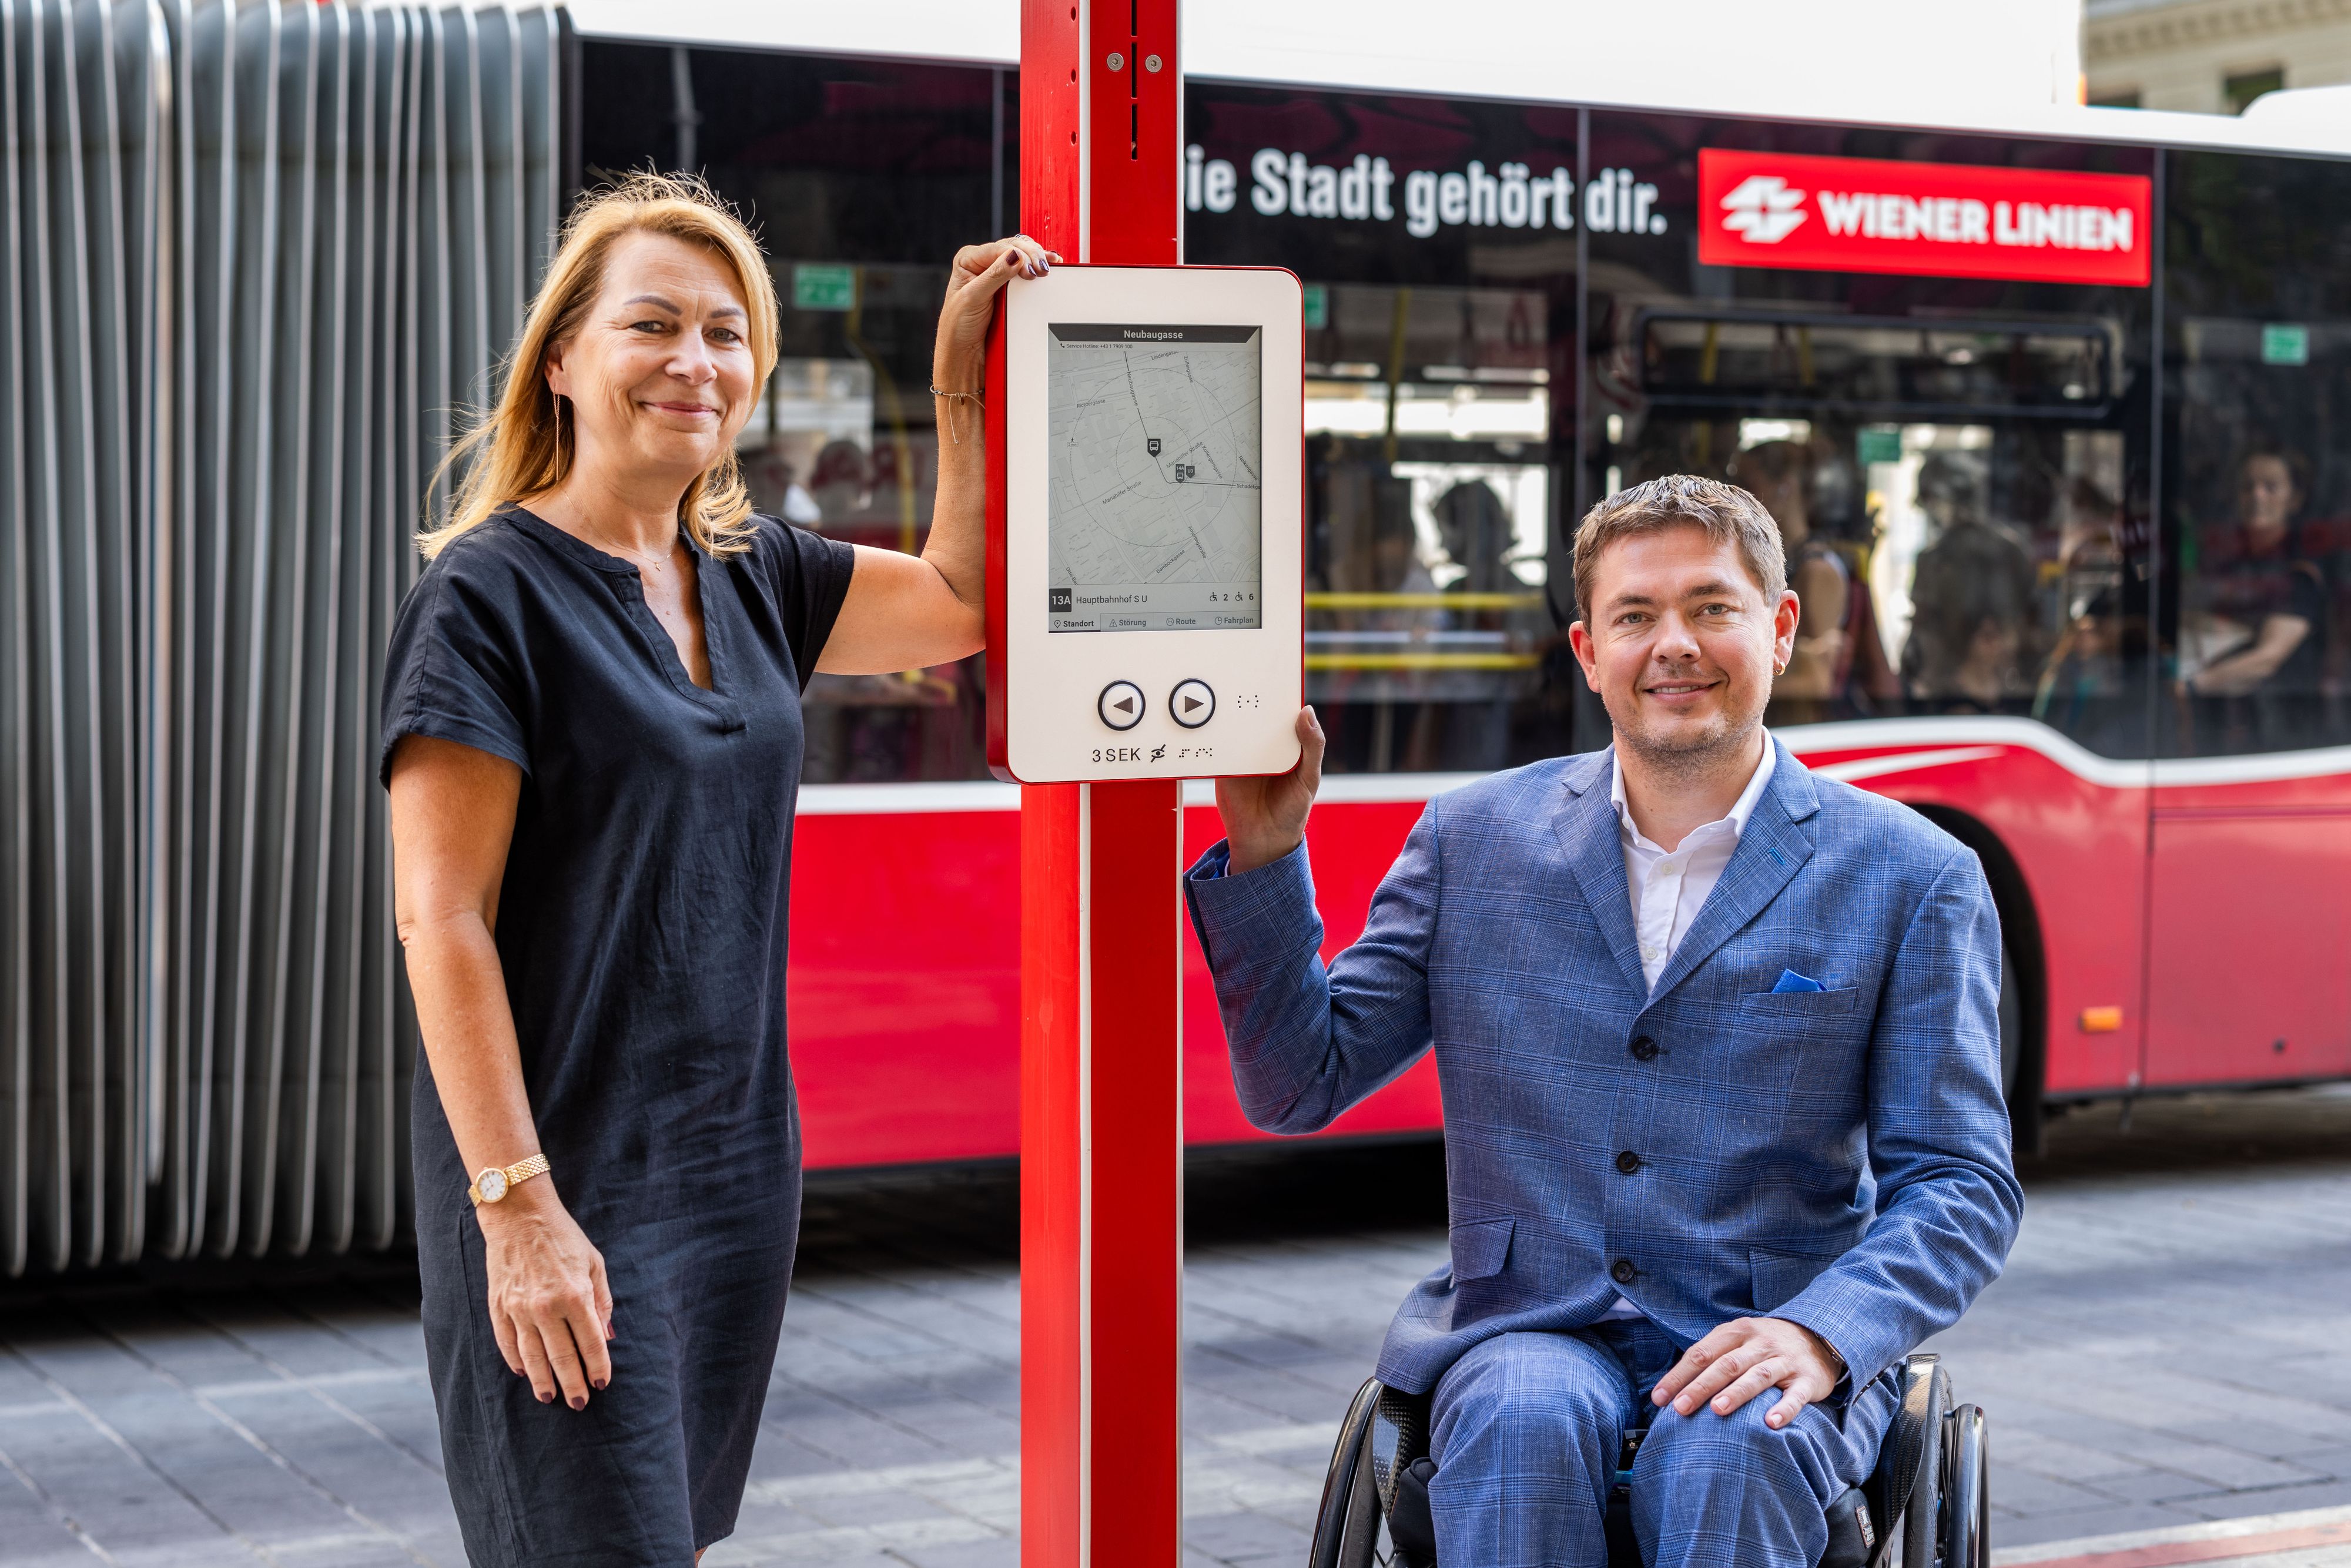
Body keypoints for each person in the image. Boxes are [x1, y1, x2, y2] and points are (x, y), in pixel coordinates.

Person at [381, 170, 1055, 1566]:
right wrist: (519, 1215)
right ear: (562, 361)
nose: (696, 361)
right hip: (567, 1184)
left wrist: (956, 390)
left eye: (727, 332)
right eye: (652, 326)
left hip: (732, 1176)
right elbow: (439, 917)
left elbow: (960, 603)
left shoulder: (751, 571)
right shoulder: (487, 596)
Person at [1186, 475, 2022, 1568]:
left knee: (1732, 1440)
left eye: (1711, 607)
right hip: (1526, 1324)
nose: (1673, 643)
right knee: (1524, 1418)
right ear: (1590, 651)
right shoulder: (1472, 841)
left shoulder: (1915, 874)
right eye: (1636, 615)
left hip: (1764, 1331)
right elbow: (1299, 1084)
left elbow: (1961, 1181)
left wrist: (1824, 1332)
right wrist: (1265, 854)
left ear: (1779, 629)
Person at [2179, 445, 2328, 750]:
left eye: (2271, 487)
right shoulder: (2230, 562)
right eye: (2248, 487)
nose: (2257, 496)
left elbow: (2267, 659)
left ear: (2295, 500)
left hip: (2280, 737)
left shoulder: (2300, 572)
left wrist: (2192, 688)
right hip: (2224, 725)